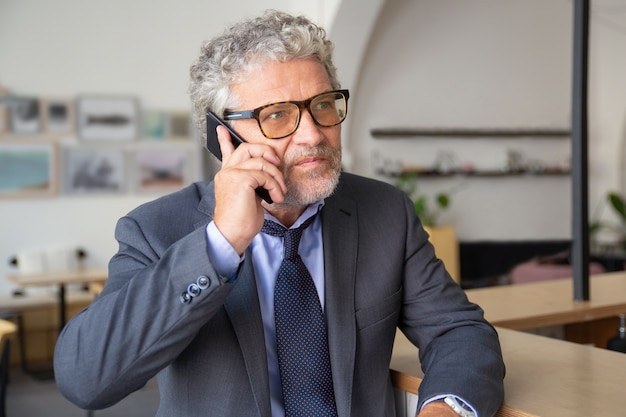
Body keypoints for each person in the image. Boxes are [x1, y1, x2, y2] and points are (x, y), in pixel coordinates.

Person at [54, 9, 505, 417]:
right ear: (222, 136)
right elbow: (85, 379)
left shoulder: (384, 212)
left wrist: (447, 410)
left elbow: (459, 332)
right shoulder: (155, 229)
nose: (313, 133)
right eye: (277, 115)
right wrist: (220, 243)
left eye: (324, 105)